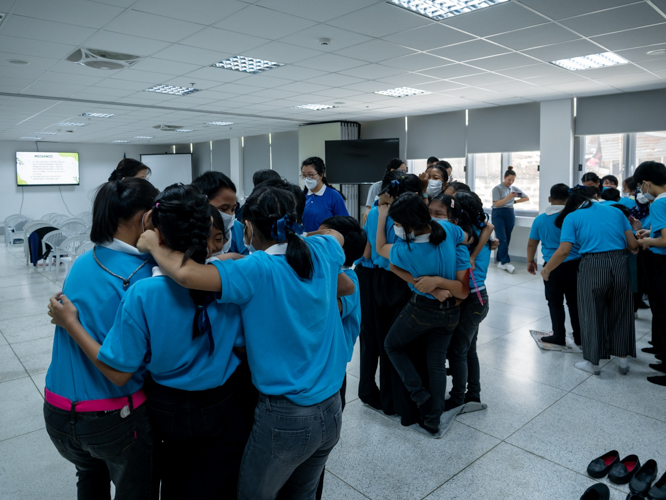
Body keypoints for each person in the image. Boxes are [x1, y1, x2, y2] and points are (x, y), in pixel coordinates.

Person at [136, 184, 354, 499]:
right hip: (331, 409)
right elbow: (338, 236)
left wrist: (154, 246)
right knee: (302, 494)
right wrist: (306, 239)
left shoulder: (255, 269)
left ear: (248, 227)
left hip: (285, 416)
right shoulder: (321, 250)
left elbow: (185, 275)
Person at [50, 184, 254, 498]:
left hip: (149, 405)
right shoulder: (231, 277)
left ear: (154, 227)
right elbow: (242, 343)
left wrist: (70, 323)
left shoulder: (117, 279)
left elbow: (120, 367)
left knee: (116, 475)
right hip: (218, 403)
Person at [44, 177, 159, 500]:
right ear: (146, 219)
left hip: (57, 411)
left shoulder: (82, 262)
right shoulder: (145, 276)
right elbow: (125, 368)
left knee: (90, 477)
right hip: (113, 417)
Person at [375, 192, 468, 433]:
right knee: (436, 362)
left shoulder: (405, 249)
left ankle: (420, 396)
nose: (395, 228)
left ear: (407, 224)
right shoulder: (446, 231)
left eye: (396, 223)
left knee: (391, 345)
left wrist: (381, 215)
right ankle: (433, 418)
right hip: (451, 311)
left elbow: (379, 249)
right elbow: (466, 238)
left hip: (422, 309)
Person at [541, 186, 639, 375]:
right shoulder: (616, 212)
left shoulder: (572, 217)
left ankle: (593, 363)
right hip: (620, 263)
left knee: (591, 313)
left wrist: (547, 270)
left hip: (592, 265)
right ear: (595, 196)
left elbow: (563, 251)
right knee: (621, 311)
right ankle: (623, 362)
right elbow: (633, 245)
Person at [361, 171, 425, 424]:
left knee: (379, 341)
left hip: (377, 278)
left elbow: (368, 253)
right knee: (399, 345)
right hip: (402, 278)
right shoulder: (414, 215)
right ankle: (402, 402)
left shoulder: (377, 213)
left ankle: (386, 399)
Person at [313, 215, 366, 500]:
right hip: (320, 374)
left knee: (313, 464)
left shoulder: (349, 282)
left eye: (321, 239)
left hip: (331, 380)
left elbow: (322, 304)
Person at [438, 191, 493, 412]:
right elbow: (489, 227)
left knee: (459, 351)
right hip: (479, 297)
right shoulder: (482, 232)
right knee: (468, 349)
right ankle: (473, 394)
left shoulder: (464, 234)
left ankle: (458, 398)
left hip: (471, 298)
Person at [527, 184, 582, 348]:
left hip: (551, 267)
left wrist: (530, 260)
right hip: (576, 265)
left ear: (550, 199)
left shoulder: (540, 219)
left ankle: (558, 335)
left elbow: (532, 243)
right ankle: (580, 337)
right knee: (575, 302)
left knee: (554, 302)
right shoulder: (574, 217)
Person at [634, 161, 666, 386]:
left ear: (646, 183)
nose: (640, 192)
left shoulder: (659, 204)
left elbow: (665, 241)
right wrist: (650, 232)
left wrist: (646, 240)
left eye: (640, 186)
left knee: (663, 311)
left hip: (662, 263)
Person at [191, 171, 248, 256]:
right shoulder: (190, 232)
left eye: (233, 209)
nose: (230, 215)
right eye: (223, 209)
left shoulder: (238, 230)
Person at [492, 166, 530, 273]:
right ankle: (505, 262)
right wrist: (508, 198)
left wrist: (514, 201)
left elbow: (526, 198)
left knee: (507, 238)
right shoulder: (497, 188)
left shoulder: (513, 189)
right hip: (498, 213)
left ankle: (500, 260)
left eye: (513, 180)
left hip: (509, 212)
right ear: (504, 177)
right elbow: (497, 203)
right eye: (509, 180)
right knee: (502, 238)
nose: (511, 182)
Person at [301, 156, 349, 233]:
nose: (307, 178)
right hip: (305, 241)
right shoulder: (301, 195)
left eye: (311, 175)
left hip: (325, 242)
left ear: (321, 175)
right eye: (304, 175)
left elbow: (344, 225)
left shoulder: (334, 196)